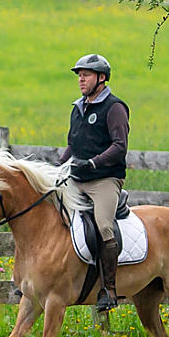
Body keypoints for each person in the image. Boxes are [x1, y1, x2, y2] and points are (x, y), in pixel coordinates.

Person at [59, 53, 129, 312]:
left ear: (101, 78)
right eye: (79, 75)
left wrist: (93, 163)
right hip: (77, 179)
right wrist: (58, 166)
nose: (81, 80)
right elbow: (72, 145)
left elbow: (120, 146)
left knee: (103, 226)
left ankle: (109, 290)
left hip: (105, 180)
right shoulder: (77, 108)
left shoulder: (114, 108)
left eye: (86, 75)